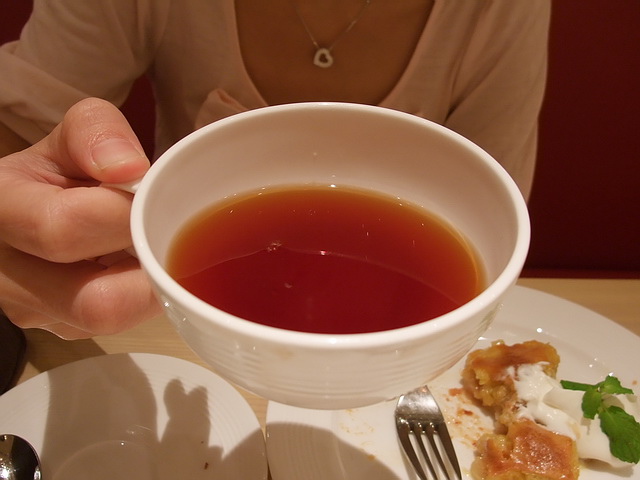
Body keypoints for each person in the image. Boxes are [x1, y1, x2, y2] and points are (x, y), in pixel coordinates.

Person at [0, 0, 550, 339]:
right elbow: (19, 130)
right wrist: (27, 215)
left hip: (400, 372)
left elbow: (491, 216)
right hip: (177, 336)